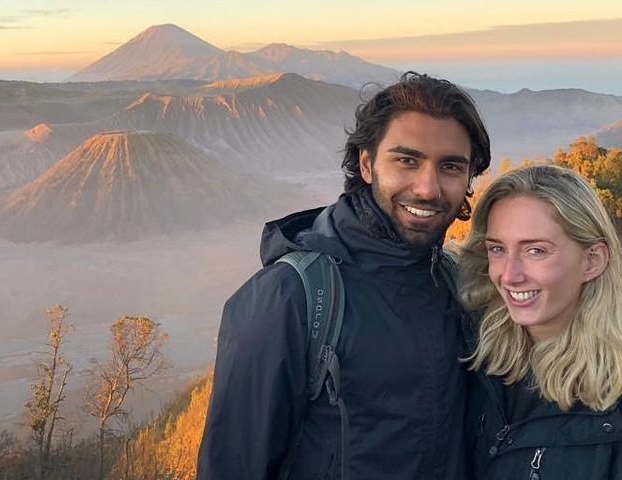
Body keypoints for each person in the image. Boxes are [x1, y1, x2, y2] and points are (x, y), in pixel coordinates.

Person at [197, 72, 491, 480]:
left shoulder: (458, 287)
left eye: (451, 166)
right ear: (367, 164)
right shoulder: (290, 299)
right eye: (407, 160)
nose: (428, 188)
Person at [458, 165, 622, 479]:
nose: (509, 275)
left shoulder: (613, 396)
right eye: (498, 249)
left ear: (593, 260)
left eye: (535, 250)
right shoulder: (473, 354)